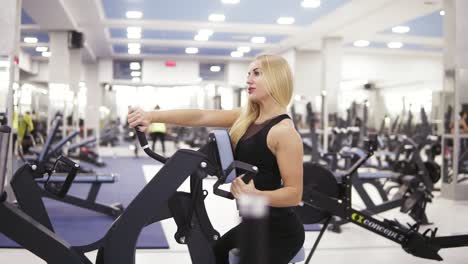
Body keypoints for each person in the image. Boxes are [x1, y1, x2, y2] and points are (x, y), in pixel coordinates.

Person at [127, 54, 305, 264]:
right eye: (248, 74)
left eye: (257, 73)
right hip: (253, 223)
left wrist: (257, 195)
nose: (248, 79)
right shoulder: (247, 118)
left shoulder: (283, 132)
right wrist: (151, 116)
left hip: (279, 231)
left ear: (277, 78)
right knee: (214, 255)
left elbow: (294, 194)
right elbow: (201, 117)